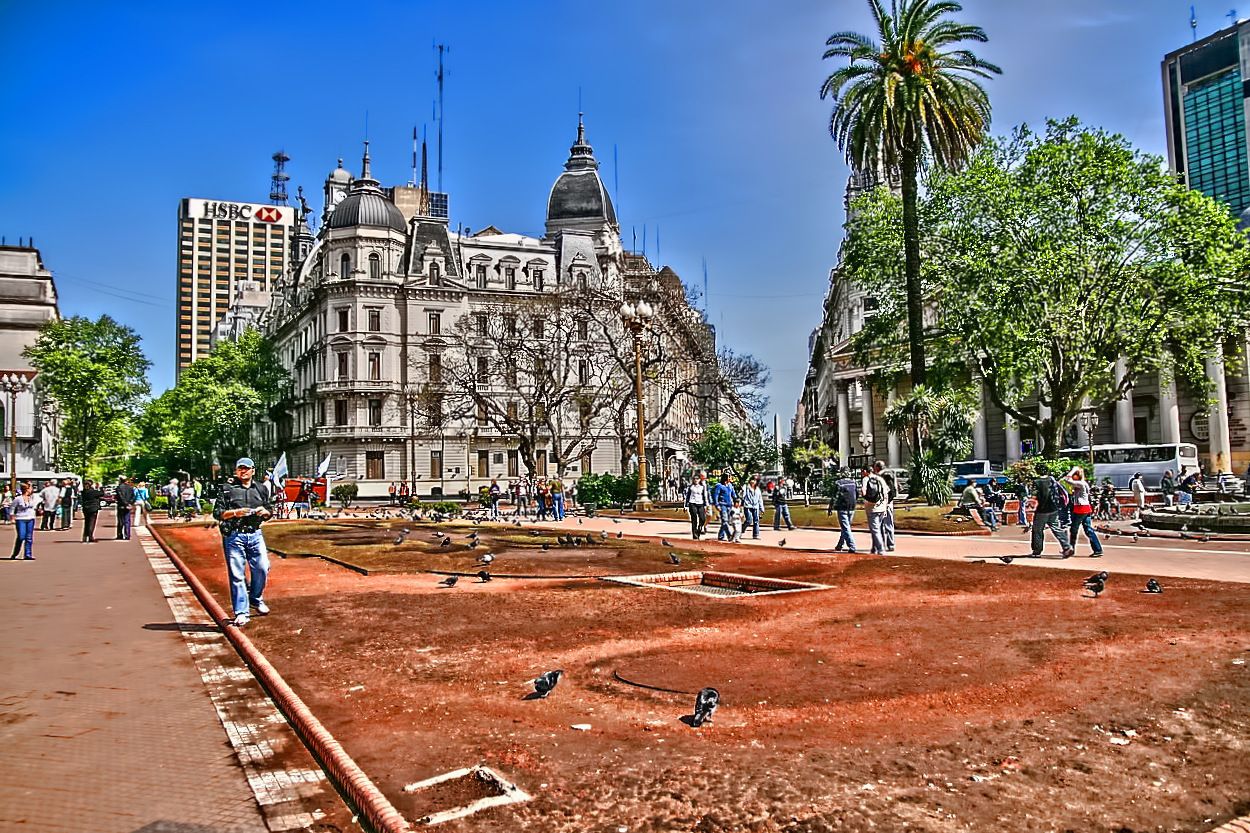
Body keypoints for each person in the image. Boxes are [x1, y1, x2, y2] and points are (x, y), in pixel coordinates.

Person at [213, 458, 273, 628]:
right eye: (240, 469)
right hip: (234, 536)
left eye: (247, 469)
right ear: (236, 471)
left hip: (255, 534)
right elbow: (217, 513)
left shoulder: (261, 489)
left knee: (262, 567)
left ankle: (255, 598)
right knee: (237, 574)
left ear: (253, 470)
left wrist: (265, 512)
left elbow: (270, 510)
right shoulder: (227, 489)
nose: (243, 472)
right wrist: (235, 513)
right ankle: (241, 612)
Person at [1030, 463, 1074, 558]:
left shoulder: (1037, 482)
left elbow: (1034, 496)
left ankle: (1037, 551)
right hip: (1054, 508)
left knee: (1037, 529)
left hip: (1042, 509)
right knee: (1056, 528)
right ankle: (1067, 546)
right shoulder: (1052, 479)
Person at [1063, 467, 1103, 556]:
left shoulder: (1080, 483)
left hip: (1080, 509)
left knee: (1074, 530)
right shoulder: (1083, 483)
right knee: (1088, 529)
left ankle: (1070, 549)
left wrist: (1073, 470)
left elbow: (1067, 479)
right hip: (1086, 508)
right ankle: (1098, 549)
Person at [861, 465, 891, 554]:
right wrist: (886, 506)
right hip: (881, 507)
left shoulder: (866, 479)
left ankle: (881, 549)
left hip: (871, 508)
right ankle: (874, 548)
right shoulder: (880, 479)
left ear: (866, 471)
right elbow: (886, 494)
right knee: (879, 528)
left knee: (875, 529)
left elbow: (863, 492)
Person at [831, 470, 858, 553]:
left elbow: (835, 496)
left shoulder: (839, 483)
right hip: (852, 506)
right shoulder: (854, 483)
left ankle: (852, 546)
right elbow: (857, 495)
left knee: (845, 527)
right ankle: (840, 545)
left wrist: (831, 507)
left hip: (842, 507)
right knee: (846, 527)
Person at [9, 481, 37, 559]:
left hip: (30, 518)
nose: (31, 490)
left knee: (29, 537)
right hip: (21, 518)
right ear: (27, 490)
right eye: (30, 488)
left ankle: (28, 554)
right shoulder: (18, 499)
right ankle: (15, 553)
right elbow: (12, 508)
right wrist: (12, 518)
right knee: (21, 536)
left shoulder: (31, 498)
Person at [876, 461, 898, 550]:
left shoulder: (881, 476)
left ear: (877, 467)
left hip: (883, 502)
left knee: (881, 523)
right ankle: (891, 544)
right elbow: (894, 489)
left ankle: (881, 544)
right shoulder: (891, 473)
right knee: (889, 523)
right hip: (889, 501)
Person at [684, 471, 709, 540]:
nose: (696, 480)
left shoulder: (702, 487)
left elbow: (705, 496)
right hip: (692, 503)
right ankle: (694, 534)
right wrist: (686, 505)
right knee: (694, 518)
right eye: (694, 479)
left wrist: (706, 504)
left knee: (702, 518)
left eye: (697, 479)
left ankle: (699, 529)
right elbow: (687, 496)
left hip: (700, 503)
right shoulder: (691, 487)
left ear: (699, 480)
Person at [713, 473, 737, 541]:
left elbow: (733, 495)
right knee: (725, 520)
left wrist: (737, 500)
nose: (730, 478)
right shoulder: (719, 486)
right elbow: (716, 495)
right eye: (729, 477)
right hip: (722, 504)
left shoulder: (730, 486)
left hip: (729, 505)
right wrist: (717, 504)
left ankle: (721, 535)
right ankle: (729, 535)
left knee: (727, 521)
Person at [741, 475, 764, 540]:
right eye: (752, 479)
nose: (753, 481)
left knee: (756, 520)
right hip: (748, 505)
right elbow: (742, 495)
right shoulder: (746, 487)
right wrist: (742, 492)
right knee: (749, 520)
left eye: (755, 480)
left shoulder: (757, 489)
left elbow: (760, 499)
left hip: (755, 506)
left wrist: (761, 508)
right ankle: (741, 530)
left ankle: (756, 534)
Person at [115, 475, 136, 540]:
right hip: (128, 506)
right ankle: (127, 535)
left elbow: (119, 496)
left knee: (120, 521)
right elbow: (133, 496)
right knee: (127, 521)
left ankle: (120, 535)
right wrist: (129, 503)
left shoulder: (119, 487)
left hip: (121, 505)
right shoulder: (130, 487)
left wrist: (124, 502)